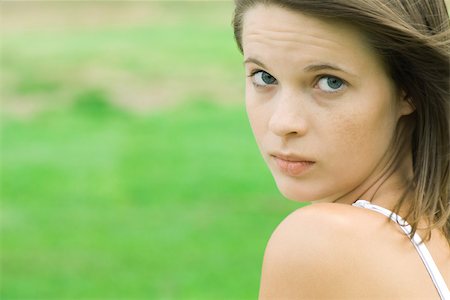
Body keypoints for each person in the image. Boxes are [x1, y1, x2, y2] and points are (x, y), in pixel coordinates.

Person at [232, 0, 450, 298]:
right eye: (264, 77)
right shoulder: (435, 235)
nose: (283, 123)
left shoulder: (320, 241)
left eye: (330, 82)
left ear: (408, 89)